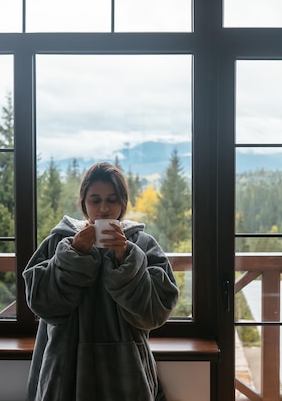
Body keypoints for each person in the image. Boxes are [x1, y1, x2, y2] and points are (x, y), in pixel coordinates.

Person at [23, 161, 179, 401]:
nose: (104, 209)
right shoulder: (58, 243)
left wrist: (126, 258)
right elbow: (41, 304)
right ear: (84, 202)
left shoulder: (143, 245)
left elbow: (154, 313)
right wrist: (73, 254)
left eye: (112, 199)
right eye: (95, 200)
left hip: (126, 373)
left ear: (123, 203)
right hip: (65, 372)